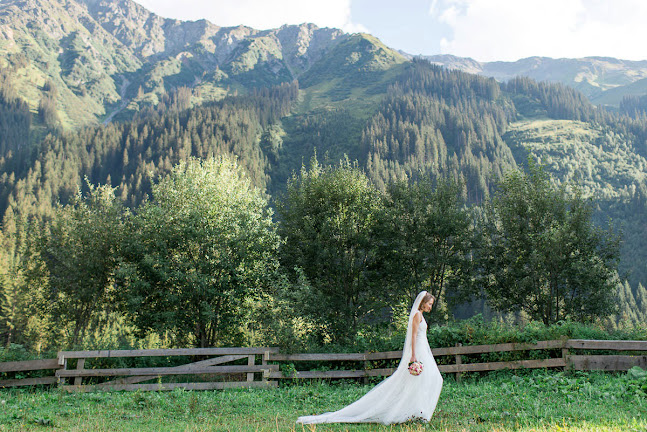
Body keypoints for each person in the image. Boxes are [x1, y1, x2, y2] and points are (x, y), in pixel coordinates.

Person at [296, 291, 443, 425]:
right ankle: (414, 411)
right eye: (429, 304)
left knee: (429, 379)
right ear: (423, 302)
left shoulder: (421, 315)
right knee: (427, 378)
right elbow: (414, 335)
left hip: (423, 349)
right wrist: (413, 355)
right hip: (418, 350)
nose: (431, 306)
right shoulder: (417, 315)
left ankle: (419, 410)